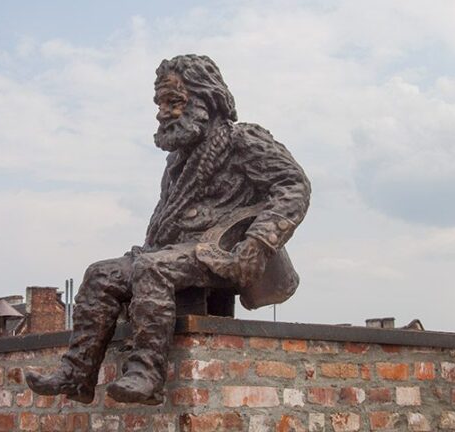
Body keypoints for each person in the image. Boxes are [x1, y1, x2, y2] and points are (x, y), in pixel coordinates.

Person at [26, 54, 311, 405]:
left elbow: (294, 185)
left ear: (207, 101)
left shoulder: (242, 140)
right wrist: (138, 258)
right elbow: (164, 221)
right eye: (160, 104)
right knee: (101, 274)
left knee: (152, 268)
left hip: (221, 252)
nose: (163, 112)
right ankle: (76, 374)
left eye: (174, 102)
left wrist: (258, 243)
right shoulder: (177, 161)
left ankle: (146, 374)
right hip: (172, 252)